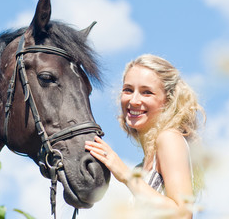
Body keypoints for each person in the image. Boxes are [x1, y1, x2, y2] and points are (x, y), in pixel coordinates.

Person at [85, 54, 205, 218]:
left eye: (146, 92)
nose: (133, 100)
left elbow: (182, 214)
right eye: (128, 90)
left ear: (168, 100)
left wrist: (125, 175)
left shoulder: (169, 138)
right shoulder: (141, 168)